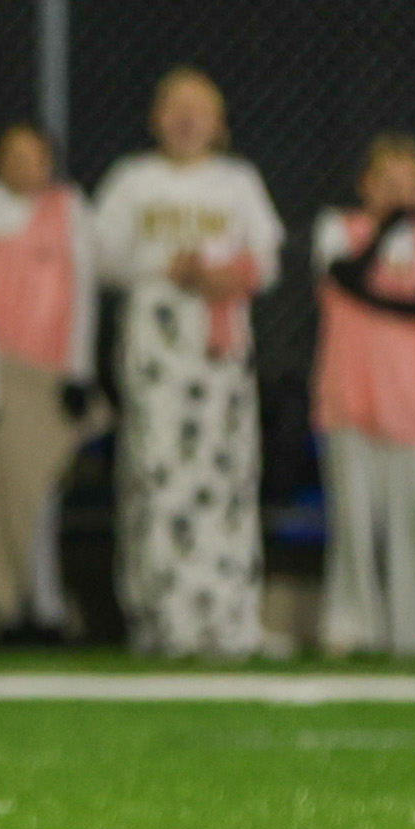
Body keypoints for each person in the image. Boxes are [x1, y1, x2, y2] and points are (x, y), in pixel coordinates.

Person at [93, 67, 284, 658]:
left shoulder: (238, 182)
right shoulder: (132, 180)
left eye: (199, 107)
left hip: (219, 358)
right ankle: (164, 618)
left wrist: (225, 275)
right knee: (158, 479)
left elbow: (267, 258)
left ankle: (229, 619)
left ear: (219, 124)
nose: (185, 117)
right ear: (155, 118)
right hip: (157, 357)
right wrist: (164, 269)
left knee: (224, 482)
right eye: (174, 105)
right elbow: (100, 255)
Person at [312, 132, 415, 656]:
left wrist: (378, 297)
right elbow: (345, 277)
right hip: (349, 398)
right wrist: (383, 237)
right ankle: (352, 627)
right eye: (384, 182)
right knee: (353, 520)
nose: (396, 194)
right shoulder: (338, 229)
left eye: (406, 185)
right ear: (364, 186)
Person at [0, 123, 102, 643]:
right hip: (0, 379)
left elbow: (82, 292)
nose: (22, 165)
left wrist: (78, 371)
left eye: (33, 156)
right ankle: (9, 606)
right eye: (11, 154)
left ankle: (48, 606)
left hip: (50, 381)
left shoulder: (71, 209)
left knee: (41, 498)